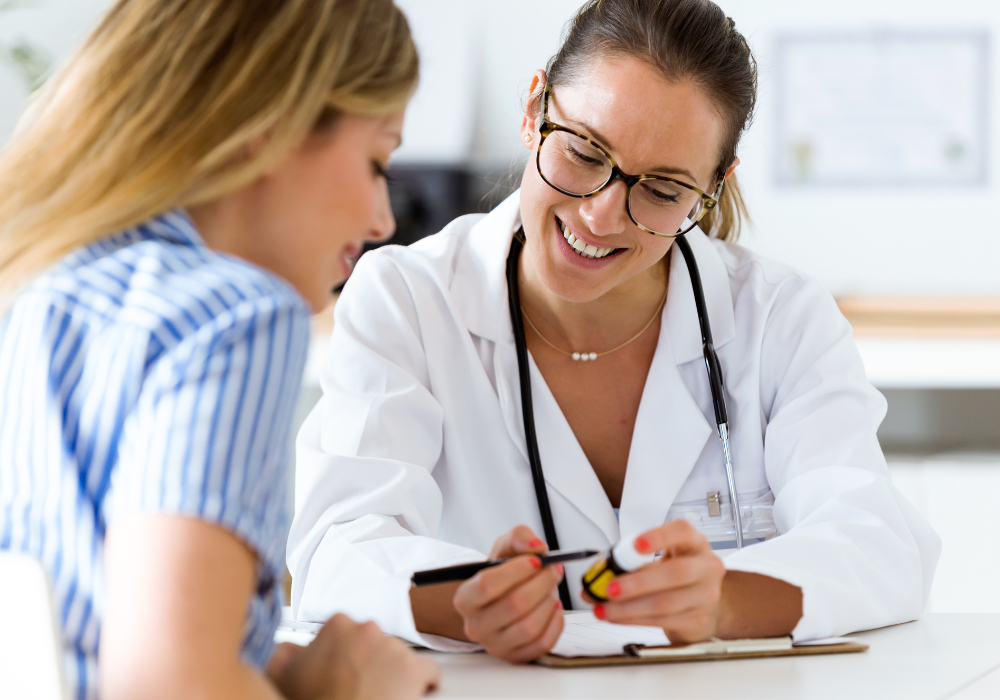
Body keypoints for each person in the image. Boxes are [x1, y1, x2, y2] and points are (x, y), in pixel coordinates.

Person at [287, 0, 941, 663]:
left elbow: (879, 544)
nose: (601, 216)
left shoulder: (780, 319)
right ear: (534, 109)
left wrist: (723, 603)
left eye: (661, 190)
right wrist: (470, 603)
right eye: (583, 152)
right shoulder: (408, 301)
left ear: (713, 186)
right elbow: (338, 550)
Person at [0, 0, 439, 698]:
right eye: (376, 160)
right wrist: (336, 689)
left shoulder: (43, 289)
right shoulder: (238, 318)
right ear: (271, 128)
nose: (383, 219)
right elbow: (167, 686)